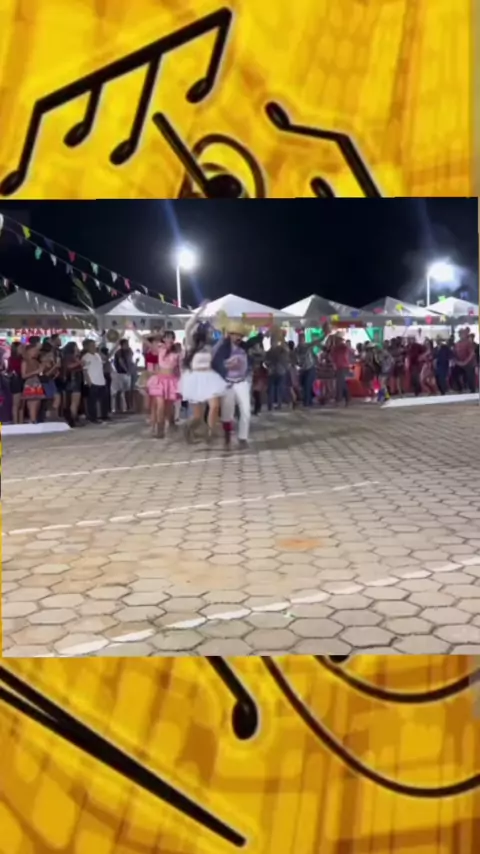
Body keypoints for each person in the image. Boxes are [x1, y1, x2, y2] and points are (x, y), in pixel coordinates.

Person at [180, 303, 227, 443]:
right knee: (198, 417)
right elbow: (188, 325)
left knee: (215, 406)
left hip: (210, 378)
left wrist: (219, 325)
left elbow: (220, 341)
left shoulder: (209, 346)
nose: (208, 333)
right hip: (195, 380)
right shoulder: (190, 345)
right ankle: (188, 429)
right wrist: (201, 310)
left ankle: (211, 433)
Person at [213, 321, 260, 450]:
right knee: (227, 413)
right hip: (228, 383)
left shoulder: (244, 347)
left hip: (242, 382)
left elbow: (255, 343)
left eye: (240, 335)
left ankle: (243, 438)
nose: (237, 337)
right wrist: (227, 365)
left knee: (246, 411)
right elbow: (215, 363)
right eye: (235, 334)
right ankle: (227, 437)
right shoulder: (223, 348)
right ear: (230, 335)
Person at [146, 330, 181, 438]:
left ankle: (169, 425)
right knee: (160, 405)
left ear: (173, 339)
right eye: (166, 337)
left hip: (171, 381)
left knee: (168, 408)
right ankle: (159, 431)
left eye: (171, 337)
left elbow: (179, 368)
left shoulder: (177, 351)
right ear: (163, 339)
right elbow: (145, 340)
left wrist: (181, 381)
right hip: (160, 380)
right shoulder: (160, 348)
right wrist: (132, 329)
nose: (168, 339)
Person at [82, 340, 109, 423]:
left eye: (94, 345)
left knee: (104, 400)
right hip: (92, 381)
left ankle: (104, 415)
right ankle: (92, 417)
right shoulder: (85, 357)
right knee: (92, 401)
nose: (94, 347)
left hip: (101, 381)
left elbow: (106, 359)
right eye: (91, 346)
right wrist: (89, 381)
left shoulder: (98, 355)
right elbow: (84, 370)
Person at [21, 342, 44, 424]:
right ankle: (32, 420)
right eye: (34, 351)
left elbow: (40, 373)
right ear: (29, 351)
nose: (36, 352)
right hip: (30, 383)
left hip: (37, 383)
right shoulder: (25, 362)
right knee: (32, 403)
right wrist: (35, 372)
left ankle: (34, 419)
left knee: (38, 403)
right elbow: (23, 375)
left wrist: (42, 369)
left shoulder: (36, 361)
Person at [265, 332, 289, 410]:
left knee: (273, 389)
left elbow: (266, 362)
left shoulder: (270, 352)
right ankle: (276, 404)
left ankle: (272, 405)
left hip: (275, 371)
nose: (272, 343)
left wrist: (269, 366)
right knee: (277, 389)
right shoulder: (279, 350)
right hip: (279, 371)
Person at [63, 341, 84, 426]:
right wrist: (79, 363)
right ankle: (73, 419)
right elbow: (69, 366)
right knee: (75, 401)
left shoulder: (74, 356)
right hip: (73, 378)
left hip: (74, 379)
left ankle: (73, 418)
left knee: (74, 401)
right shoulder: (69, 357)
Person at [329, 333, 351, 405]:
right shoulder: (335, 348)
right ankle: (346, 398)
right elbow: (332, 357)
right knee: (341, 383)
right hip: (338, 367)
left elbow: (343, 353)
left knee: (340, 383)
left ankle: (339, 399)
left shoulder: (343, 347)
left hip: (343, 366)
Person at [296, 332, 317, 407]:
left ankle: (307, 402)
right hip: (304, 369)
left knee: (307, 385)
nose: (300, 340)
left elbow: (314, 356)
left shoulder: (308, 347)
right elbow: (296, 359)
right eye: (299, 339)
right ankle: (309, 400)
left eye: (302, 339)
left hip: (310, 368)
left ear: (304, 339)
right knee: (305, 385)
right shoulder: (297, 348)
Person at [113, 338, 135, 412]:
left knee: (128, 390)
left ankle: (128, 407)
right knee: (119, 390)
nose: (127, 345)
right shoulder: (119, 352)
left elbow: (130, 360)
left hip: (128, 373)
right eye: (126, 344)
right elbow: (121, 361)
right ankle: (118, 408)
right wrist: (126, 370)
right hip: (121, 373)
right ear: (122, 345)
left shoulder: (129, 351)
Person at [454, 328, 476, 393]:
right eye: (459, 333)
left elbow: (472, 354)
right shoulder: (457, 343)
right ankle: (460, 389)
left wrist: (465, 362)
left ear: (465, 334)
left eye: (461, 333)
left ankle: (472, 390)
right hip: (460, 363)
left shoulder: (469, 343)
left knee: (470, 377)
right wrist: (456, 361)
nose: (460, 335)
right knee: (454, 374)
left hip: (469, 363)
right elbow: (455, 353)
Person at [7, 341, 24, 424]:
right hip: (16, 380)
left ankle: (21, 422)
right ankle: (15, 422)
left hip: (23, 380)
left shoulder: (23, 358)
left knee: (22, 404)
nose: (22, 349)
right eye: (21, 347)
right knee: (16, 403)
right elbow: (10, 370)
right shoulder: (12, 359)